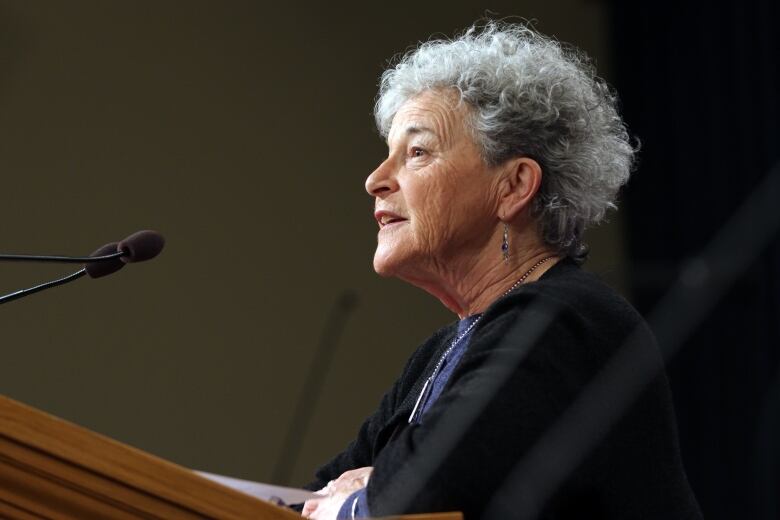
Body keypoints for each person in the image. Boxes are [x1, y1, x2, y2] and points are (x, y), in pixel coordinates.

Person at [300, 22, 702, 520]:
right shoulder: (442, 352)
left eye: (417, 152)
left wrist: (366, 494)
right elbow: (315, 497)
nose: (375, 180)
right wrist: (360, 491)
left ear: (513, 186)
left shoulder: (568, 322)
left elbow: (428, 488)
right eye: (388, 157)